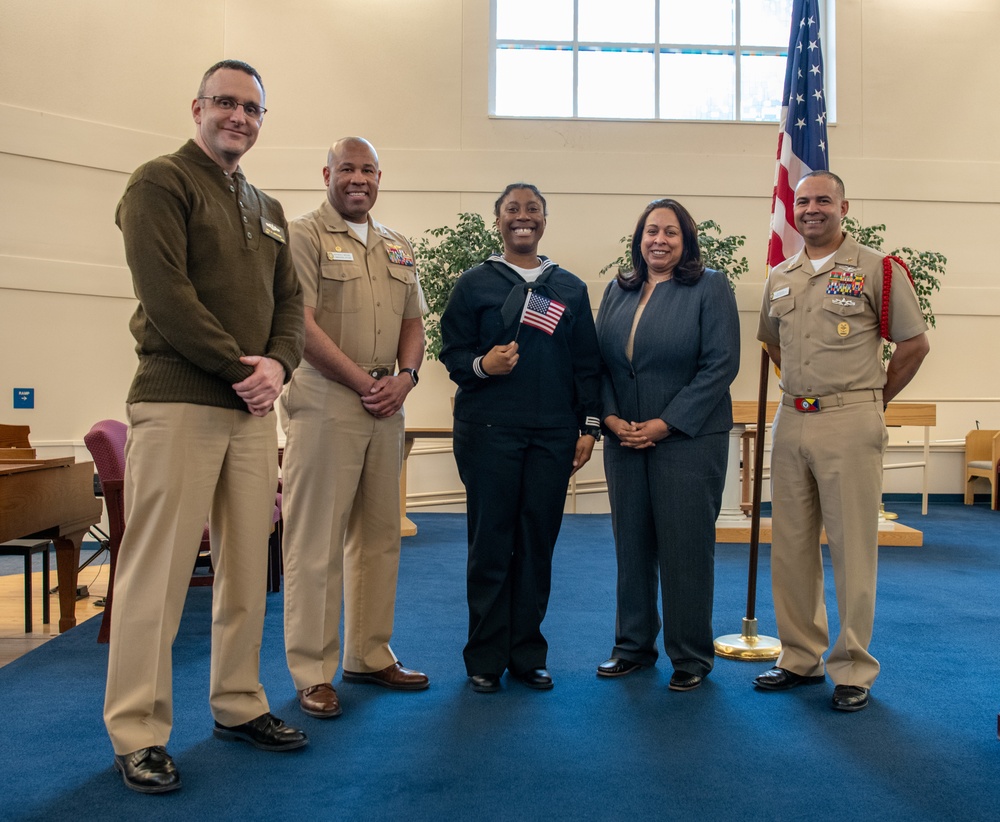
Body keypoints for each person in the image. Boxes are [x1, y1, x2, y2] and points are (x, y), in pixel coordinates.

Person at [105, 60, 307, 794]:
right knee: (155, 575)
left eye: (253, 109)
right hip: (180, 400)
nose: (240, 118)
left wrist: (278, 369)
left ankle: (238, 702)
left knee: (248, 568)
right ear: (197, 107)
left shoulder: (271, 206)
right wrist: (239, 367)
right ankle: (137, 730)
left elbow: (291, 306)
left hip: (252, 413)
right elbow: (166, 296)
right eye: (226, 103)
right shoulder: (160, 182)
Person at [754, 171, 929, 712]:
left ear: (844, 206)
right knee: (792, 545)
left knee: (853, 545)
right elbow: (772, 344)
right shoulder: (781, 275)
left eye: (822, 200)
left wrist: (872, 399)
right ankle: (800, 657)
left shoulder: (878, 268)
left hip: (851, 419)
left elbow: (914, 344)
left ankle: (853, 667)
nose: (811, 209)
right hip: (793, 419)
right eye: (802, 200)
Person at [279, 137, 428, 720]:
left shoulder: (397, 244)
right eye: (347, 168)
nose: (358, 178)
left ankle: (369, 653)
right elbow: (300, 325)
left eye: (367, 169)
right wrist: (362, 382)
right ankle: (312, 670)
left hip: (388, 402)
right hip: (326, 401)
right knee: (314, 543)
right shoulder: (303, 235)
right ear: (327, 174)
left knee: (379, 535)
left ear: (379, 177)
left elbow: (414, 321)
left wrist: (406, 377)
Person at [440, 183, 602, 693]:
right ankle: (485, 657)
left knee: (537, 543)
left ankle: (528, 653)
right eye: (513, 210)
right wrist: (482, 366)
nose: (523, 217)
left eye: (532, 209)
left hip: (553, 437)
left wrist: (589, 427)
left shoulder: (570, 288)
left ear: (544, 221)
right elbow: (451, 352)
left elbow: (587, 365)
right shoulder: (473, 284)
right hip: (488, 433)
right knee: (491, 543)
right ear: (499, 221)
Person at [594, 199, 741, 691]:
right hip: (624, 439)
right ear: (639, 239)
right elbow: (601, 363)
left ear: (686, 241)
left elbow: (720, 366)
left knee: (685, 549)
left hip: (688, 440)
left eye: (670, 233)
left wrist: (665, 423)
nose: (659, 240)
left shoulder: (709, 286)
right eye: (651, 231)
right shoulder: (619, 289)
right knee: (631, 546)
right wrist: (611, 419)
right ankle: (632, 647)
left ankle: (691, 656)